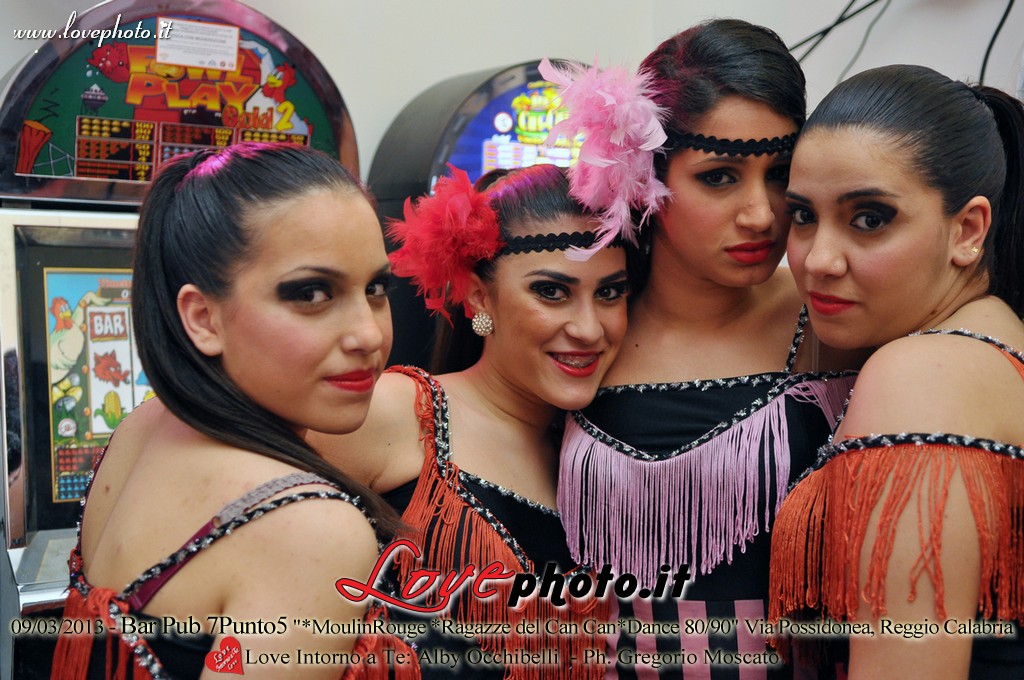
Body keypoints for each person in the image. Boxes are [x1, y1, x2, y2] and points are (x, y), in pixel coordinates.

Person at [543, 19, 859, 678]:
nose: (761, 214)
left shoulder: (834, 318)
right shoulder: (586, 328)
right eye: (720, 177)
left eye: (780, 174)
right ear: (644, 175)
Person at [50, 142, 402, 680]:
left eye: (376, 288)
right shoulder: (307, 528)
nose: (369, 334)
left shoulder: (143, 425)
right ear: (202, 318)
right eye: (312, 293)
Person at [308, 163, 629, 679]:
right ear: (480, 297)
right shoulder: (398, 413)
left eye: (610, 293)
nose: (589, 329)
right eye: (552, 292)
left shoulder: (599, 449)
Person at [768, 65, 1024, 680]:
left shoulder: (925, 374)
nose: (819, 260)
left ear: (967, 230)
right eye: (802, 216)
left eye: (870, 219)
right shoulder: (992, 343)